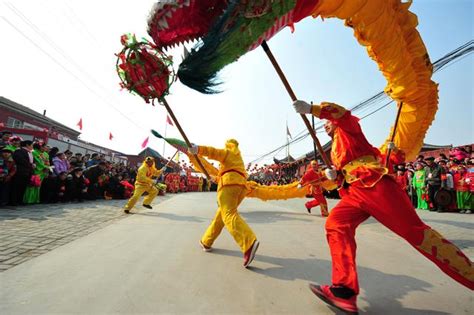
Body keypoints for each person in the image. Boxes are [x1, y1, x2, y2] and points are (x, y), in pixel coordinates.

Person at [293, 100, 473, 314]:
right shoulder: (335, 149)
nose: (325, 126)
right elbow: (347, 171)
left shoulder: (348, 128)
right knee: (336, 224)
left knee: (416, 234)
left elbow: (342, 114)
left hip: (376, 187)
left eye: (327, 123)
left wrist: (313, 109)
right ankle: (344, 290)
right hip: (354, 193)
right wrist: (336, 175)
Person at [188, 139, 260, 268]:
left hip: (229, 185)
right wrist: (214, 178)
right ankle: (206, 241)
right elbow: (228, 173)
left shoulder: (228, 153)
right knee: (220, 216)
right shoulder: (239, 161)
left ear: (228, 146)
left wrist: (198, 149)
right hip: (240, 187)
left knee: (228, 214)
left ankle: (249, 243)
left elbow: (213, 152)